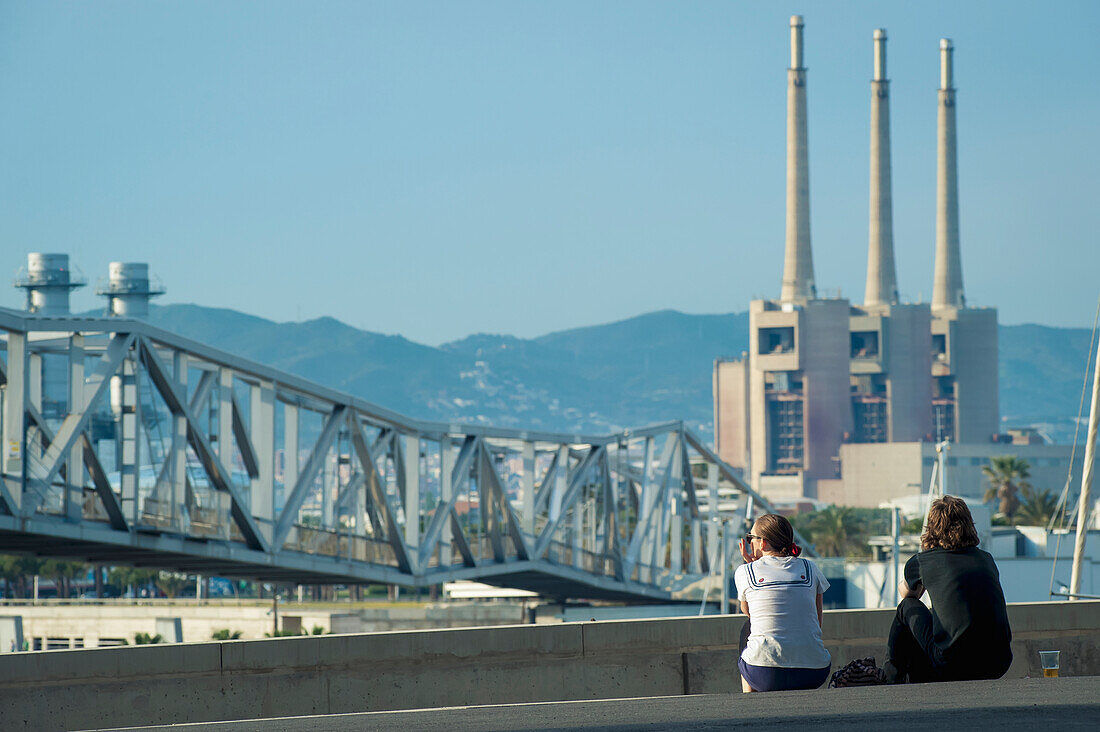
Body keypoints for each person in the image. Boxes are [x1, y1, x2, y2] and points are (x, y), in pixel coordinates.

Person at [886, 495, 1012, 683]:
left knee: (906, 607)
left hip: (953, 666)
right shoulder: (986, 559)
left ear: (932, 528)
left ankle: (890, 679)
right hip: (998, 663)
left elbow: (909, 595)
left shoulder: (923, 561)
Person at [734, 513, 831, 692]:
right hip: (815, 671)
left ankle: (750, 702)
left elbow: (749, 612)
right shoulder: (810, 568)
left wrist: (750, 565)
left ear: (762, 543)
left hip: (765, 674)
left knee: (747, 629)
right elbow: (817, 621)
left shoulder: (745, 572)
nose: (749, 543)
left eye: (750, 538)